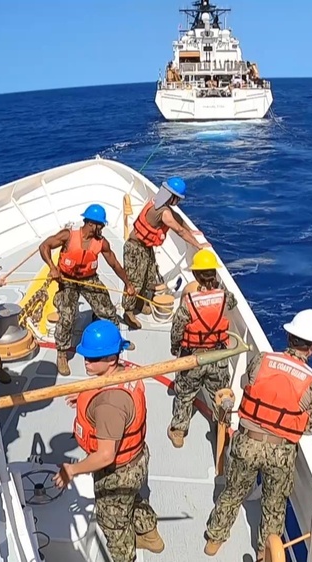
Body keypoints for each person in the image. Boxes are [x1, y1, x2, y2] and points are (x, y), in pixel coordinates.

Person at [203, 309, 312, 558]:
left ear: (289, 337)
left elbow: (247, 383)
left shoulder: (262, 360)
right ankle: (264, 553)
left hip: (247, 442)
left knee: (233, 491)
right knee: (274, 505)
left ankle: (214, 539)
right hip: (280, 453)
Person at [52, 320, 165, 561]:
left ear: (112, 359)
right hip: (137, 460)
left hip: (118, 471)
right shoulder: (124, 371)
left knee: (113, 522)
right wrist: (84, 395)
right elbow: (105, 391)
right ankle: (150, 535)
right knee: (133, 499)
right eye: (86, 356)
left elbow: (105, 455)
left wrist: (72, 470)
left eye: (94, 359)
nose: (86, 362)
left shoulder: (110, 405)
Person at [39, 204, 136, 376]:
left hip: (88, 278)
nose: (103, 228)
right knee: (67, 316)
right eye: (101, 225)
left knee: (107, 310)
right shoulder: (68, 236)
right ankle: (62, 351)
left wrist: (128, 284)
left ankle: (115, 341)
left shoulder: (101, 243)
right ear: (92, 224)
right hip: (67, 280)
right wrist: (53, 268)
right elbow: (44, 246)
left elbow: (114, 264)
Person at [166, 249, 237, 448]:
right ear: (214, 274)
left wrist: (174, 349)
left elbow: (177, 329)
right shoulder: (225, 297)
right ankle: (222, 428)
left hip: (193, 359)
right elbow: (233, 301)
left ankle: (179, 430)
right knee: (221, 394)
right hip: (218, 356)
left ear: (196, 276)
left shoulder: (189, 303)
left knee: (185, 394)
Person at [122, 176, 209, 329]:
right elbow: (179, 230)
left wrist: (192, 231)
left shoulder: (159, 202)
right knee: (135, 281)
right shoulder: (164, 213)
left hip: (145, 247)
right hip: (135, 248)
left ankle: (140, 303)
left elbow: (179, 220)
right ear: (173, 197)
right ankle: (128, 312)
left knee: (148, 277)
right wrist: (198, 245)